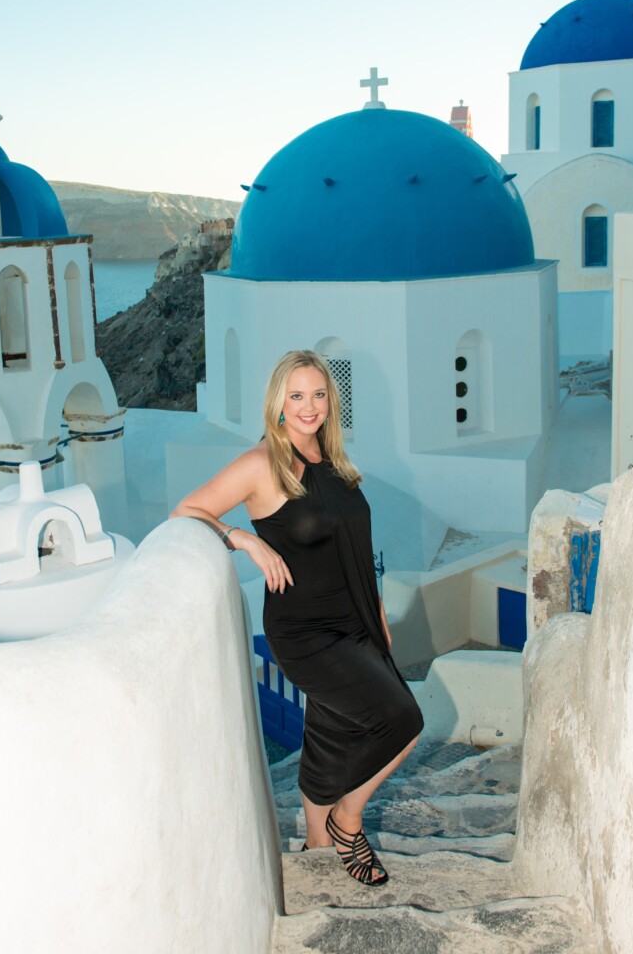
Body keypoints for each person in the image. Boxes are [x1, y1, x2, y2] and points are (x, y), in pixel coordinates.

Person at [171, 350, 422, 886]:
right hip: (305, 632)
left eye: (318, 394)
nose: (309, 407)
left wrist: (375, 612)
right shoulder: (263, 463)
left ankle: (315, 841)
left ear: (330, 401)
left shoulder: (333, 460)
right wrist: (240, 539)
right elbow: (186, 511)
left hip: (355, 618)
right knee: (403, 721)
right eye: (297, 396)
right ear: (278, 404)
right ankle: (347, 821)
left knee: (331, 730)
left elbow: (355, 544)